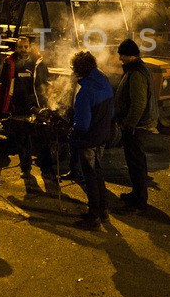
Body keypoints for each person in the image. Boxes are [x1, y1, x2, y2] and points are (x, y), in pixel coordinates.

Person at [0, 36, 52, 177]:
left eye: (25, 46)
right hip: (18, 108)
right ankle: (25, 169)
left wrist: (47, 104)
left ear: (30, 47)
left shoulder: (39, 63)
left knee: (42, 141)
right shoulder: (9, 63)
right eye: (20, 47)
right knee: (22, 141)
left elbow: (47, 84)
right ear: (16, 48)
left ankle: (47, 171)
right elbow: (1, 85)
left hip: (37, 108)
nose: (23, 49)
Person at [68, 50, 115, 230]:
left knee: (90, 177)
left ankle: (93, 217)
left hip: (89, 140)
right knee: (98, 173)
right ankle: (103, 211)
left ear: (79, 70)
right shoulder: (104, 82)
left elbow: (82, 124)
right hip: (103, 136)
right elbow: (110, 112)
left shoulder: (85, 92)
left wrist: (72, 134)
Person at [114, 38, 159, 214]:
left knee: (136, 163)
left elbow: (138, 103)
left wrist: (129, 124)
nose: (120, 59)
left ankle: (139, 202)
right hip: (136, 125)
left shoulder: (136, 74)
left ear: (129, 55)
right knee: (134, 163)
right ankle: (136, 194)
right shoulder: (136, 69)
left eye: (122, 55)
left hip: (137, 127)